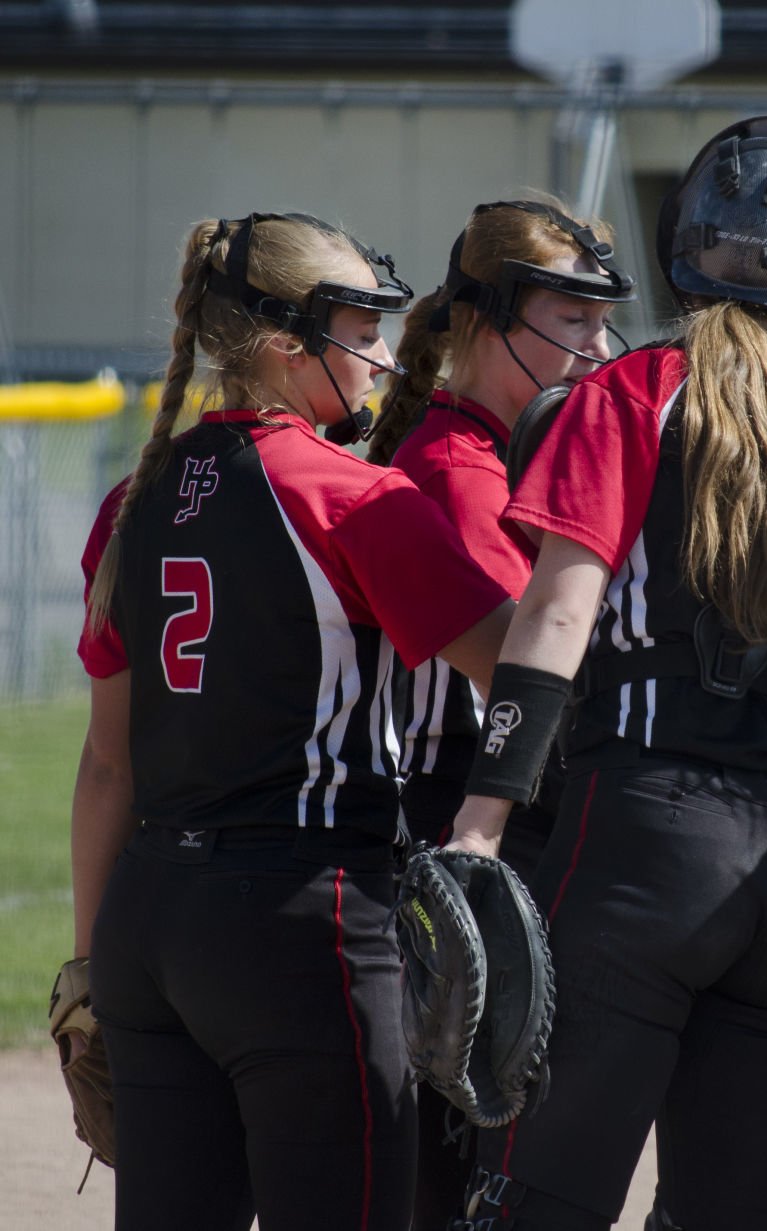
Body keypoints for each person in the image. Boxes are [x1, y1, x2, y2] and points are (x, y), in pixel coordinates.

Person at [442, 116, 767, 1231]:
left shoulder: (635, 390)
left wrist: (482, 822)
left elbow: (557, 610)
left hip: (638, 826)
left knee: (537, 1194)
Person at [68, 212, 516, 1231]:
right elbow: (521, 665)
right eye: (361, 324)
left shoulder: (132, 502)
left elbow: (106, 767)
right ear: (283, 341)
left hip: (152, 923)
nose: (384, 354)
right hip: (302, 920)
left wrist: (91, 966)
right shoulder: (351, 492)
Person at [365, 195, 636, 1228]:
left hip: (493, 825)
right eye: (572, 320)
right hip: (458, 831)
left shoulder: (514, 452)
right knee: (464, 1179)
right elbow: (525, 674)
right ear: (486, 321)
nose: (597, 348)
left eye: (602, 321)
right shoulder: (453, 464)